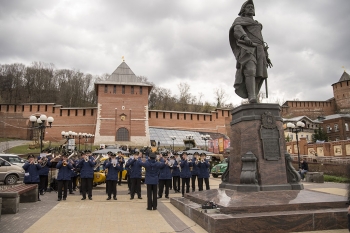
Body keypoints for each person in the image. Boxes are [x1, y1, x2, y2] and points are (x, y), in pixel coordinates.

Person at [229, 0, 273, 103]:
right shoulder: (239, 20)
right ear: (243, 10)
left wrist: (267, 56)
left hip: (260, 50)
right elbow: (237, 29)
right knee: (250, 70)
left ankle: (254, 96)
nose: (251, 8)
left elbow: (261, 40)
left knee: (259, 74)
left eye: (252, 7)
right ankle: (251, 96)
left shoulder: (257, 24)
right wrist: (244, 37)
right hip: (248, 48)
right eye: (248, 7)